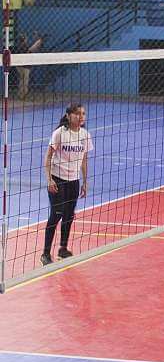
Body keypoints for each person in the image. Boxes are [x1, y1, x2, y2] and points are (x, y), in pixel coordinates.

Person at [41, 104, 93, 266]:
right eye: (77, 114)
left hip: (73, 181)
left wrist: (85, 181)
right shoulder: (60, 133)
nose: (81, 116)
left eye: (83, 113)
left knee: (69, 215)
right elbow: (48, 157)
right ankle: (45, 253)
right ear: (68, 116)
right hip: (58, 179)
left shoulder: (85, 135)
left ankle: (63, 249)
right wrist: (49, 179)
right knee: (56, 214)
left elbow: (84, 160)